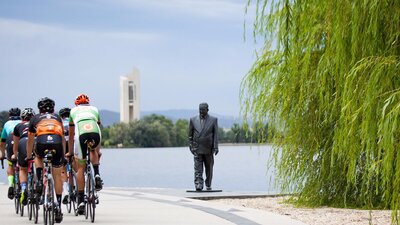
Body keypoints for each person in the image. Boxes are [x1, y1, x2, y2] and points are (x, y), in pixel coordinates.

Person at [26, 97, 65, 223]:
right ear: (53, 108)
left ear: (39, 109)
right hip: (57, 143)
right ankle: (58, 206)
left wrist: (28, 155)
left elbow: (31, 140)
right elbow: (63, 139)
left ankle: (38, 181)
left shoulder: (35, 118)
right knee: (57, 176)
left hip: (42, 141)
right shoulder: (58, 118)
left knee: (38, 156)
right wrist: (63, 155)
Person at [68, 93, 103, 215]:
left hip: (81, 134)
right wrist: (98, 152)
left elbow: (71, 135)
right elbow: (99, 126)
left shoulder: (73, 111)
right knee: (93, 150)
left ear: (76, 104)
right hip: (95, 132)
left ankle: (81, 200)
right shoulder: (94, 109)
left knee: (81, 168)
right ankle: (97, 174)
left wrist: (70, 152)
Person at [188, 102, 219, 191]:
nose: (201, 111)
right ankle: (198, 184)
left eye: (203, 110)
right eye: (200, 109)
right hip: (197, 148)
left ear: (207, 110)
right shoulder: (193, 119)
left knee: (209, 167)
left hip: (208, 148)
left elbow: (216, 135)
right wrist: (190, 145)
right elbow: (190, 135)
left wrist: (216, 147)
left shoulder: (213, 120)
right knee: (197, 168)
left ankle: (208, 183)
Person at [12, 108, 35, 205]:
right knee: (39, 163)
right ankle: (38, 186)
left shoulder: (18, 126)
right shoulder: (36, 124)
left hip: (22, 142)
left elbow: (15, 145)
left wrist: (15, 155)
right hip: (34, 142)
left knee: (22, 169)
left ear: (22, 117)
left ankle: (24, 188)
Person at [0, 107, 21, 199]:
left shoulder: (7, 124)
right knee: (23, 165)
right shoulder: (22, 122)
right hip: (22, 140)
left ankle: (11, 185)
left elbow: (2, 141)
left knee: (10, 164)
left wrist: (2, 154)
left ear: (10, 116)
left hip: (10, 139)